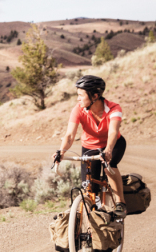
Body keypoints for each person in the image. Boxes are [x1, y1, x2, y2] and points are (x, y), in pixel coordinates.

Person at [54, 75, 127, 218]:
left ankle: (120, 203)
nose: (78, 99)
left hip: (113, 144)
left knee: (109, 166)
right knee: (89, 188)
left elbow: (113, 132)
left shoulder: (113, 108)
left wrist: (109, 150)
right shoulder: (78, 109)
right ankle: (92, 215)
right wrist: (61, 151)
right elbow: (69, 135)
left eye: (81, 95)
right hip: (89, 147)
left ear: (95, 95)